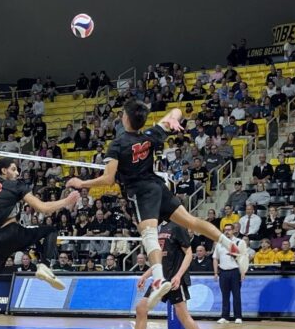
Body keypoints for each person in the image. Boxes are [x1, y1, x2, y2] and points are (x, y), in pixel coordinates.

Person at [66, 100, 247, 310]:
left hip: (140, 192)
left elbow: (108, 179)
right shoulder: (150, 134)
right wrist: (173, 118)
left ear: (125, 118)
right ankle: (229, 243)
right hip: (158, 187)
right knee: (191, 221)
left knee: (149, 233)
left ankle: (159, 279)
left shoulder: (117, 144)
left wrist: (82, 183)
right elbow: (176, 111)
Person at [0, 157, 80, 329]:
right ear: (4, 171)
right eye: (13, 169)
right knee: (50, 230)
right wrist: (67, 201)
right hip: (13, 234)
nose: (17, 173)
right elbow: (43, 208)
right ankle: (44, 265)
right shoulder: (16, 185)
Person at [112, 222, 213, 329]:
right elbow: (159, 260)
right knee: (141, 308)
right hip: (160, 279)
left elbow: (189, 254)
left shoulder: (178, 226)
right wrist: (145, 275)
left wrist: (178, 276)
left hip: (174, 279)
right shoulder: (159, 229)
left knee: (183, 315)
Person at [213, 223, 245, 325]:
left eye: (229, 230)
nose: (227, 232)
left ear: (234, 231)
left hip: (235, 271)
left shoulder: (239, 242)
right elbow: (215, 258)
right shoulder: (219, 244)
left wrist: (243, 272)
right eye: (225, 230)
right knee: (225, 295)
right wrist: (215, 272)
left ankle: (238, 316)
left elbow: (243, 258)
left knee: (236, 295)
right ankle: (225, 317)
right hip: (223, 272)